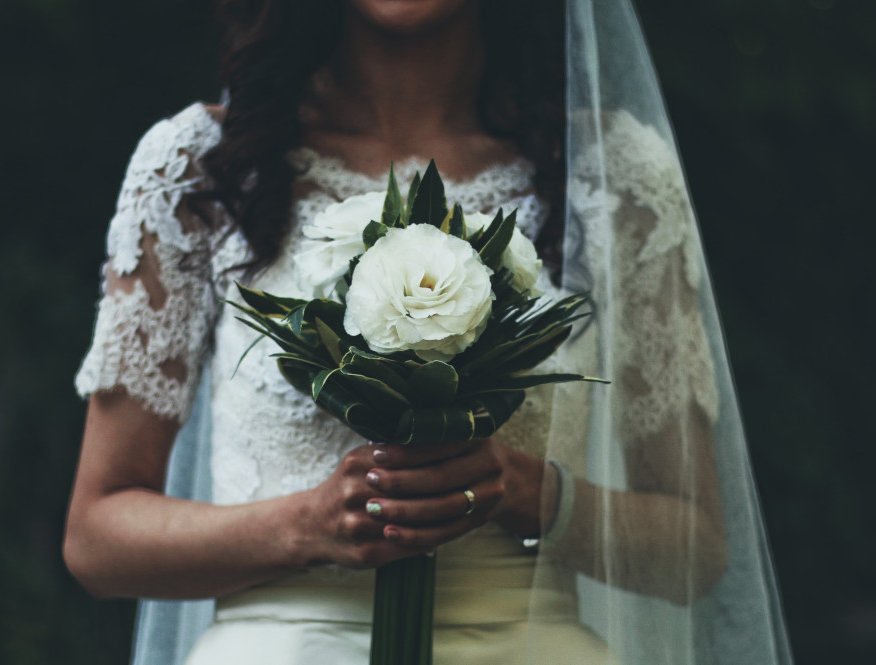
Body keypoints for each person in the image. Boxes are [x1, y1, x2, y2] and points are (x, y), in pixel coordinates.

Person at [64, 1, 793, 664]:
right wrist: (307, 526)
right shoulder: (201, 169)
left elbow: (694, 545)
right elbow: (98, 536)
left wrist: (525, 489)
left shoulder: (616, 178)